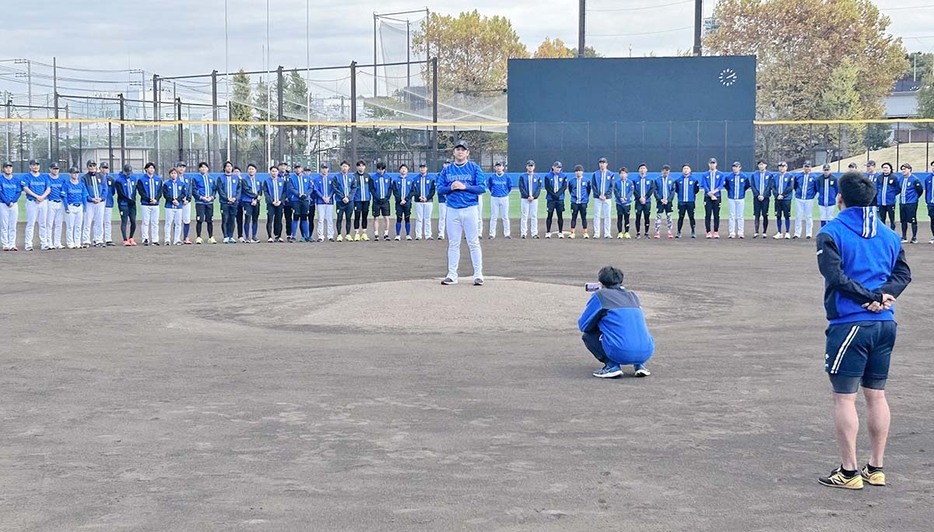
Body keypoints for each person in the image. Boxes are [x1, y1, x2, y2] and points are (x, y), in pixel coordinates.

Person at [815, 171, 911, 490]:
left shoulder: (831, 232)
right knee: (877, 395)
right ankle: (876, 467)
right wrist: (883, 296)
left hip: (849, 324)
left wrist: (869, 297)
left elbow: (836, 277)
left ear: (840, 199)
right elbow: (903, 274)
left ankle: (849, 471)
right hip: (885, 323)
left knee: (844, 399)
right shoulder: (889, 234)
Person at [577, 265, 653, 378]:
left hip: (621, 351)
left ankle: (611, 366)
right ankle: (640, 365)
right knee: (632, 327)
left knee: (589, 335)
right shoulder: (632, 296)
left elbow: (584, 325)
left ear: (601, 281)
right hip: (646, 351)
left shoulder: (601, 295)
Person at [437, 140, 485, 285]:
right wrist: (451, 187)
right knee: (453, 243)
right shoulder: (447, 170)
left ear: (467, 152)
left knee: (473, 242)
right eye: (457, 149)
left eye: (463, 149)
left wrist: (464, 186)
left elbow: (482, 187)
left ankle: (478, 274)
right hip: (452, 209)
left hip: (470, 208)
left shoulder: (474, 168)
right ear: (454, 152)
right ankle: (452, 275)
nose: (460, 152)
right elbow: (439, 189)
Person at [22, 158, 51, 251]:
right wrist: (37, 196)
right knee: (31, 223)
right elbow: (26, 188)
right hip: (32, 202)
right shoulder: (27, 177)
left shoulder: (44, 177)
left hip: (43, 202)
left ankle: (44, 243)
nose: (36, 166)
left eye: (37, 165)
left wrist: (42, 197)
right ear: (30, 166)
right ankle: (28, 244)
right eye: (34, 165)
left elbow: (48, 189)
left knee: (43, 224)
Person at [0, 162, 25, 251]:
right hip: (3, 204)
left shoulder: (16, 180)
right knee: (4, 225)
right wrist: (7, 201)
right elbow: (0, 192)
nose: (8, 169)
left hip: (14, 204)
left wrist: (13, 201)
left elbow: (18, 192)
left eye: (10, 167)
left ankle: (12, 244)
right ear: (3, 169)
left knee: (13, 225)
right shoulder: (0, 179)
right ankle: (5, 244)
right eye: (6, 167)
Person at [136, 162, 163, 246]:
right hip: (145, 204)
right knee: (145, 222)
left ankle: (155, 239)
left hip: (155, 204)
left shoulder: (158, 179)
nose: (151, 170)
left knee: (155, 222)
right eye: (150, 168)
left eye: (152, 168)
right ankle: (145, 239)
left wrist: (156, 199)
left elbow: (160, 191)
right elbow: (141, 192)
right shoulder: (141, 179)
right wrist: (148, 199)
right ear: (146, 169)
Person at [286, 162, 313, 242]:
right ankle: (293, 236)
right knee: (296, 217)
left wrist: (305, 194)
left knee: (304, 217)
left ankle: (306, 236)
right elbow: (291, 188)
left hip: (305, 200)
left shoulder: (307, 178)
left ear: (301, 169)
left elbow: (310, 188)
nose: (298, 169)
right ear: (294, 169)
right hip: (296, 200)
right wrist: (298, 194)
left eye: (299, 167)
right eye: (296, 168)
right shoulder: (291, 178)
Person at [82, 160, 107, 248]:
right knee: (87, 221)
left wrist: (101, 198)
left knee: (99, 221)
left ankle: (98, 239)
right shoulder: (84, 178)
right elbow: (84, 190)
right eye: (90, 166)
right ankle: (86, 240)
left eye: (94, 165)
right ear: (87, 167)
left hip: (100, 202)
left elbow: (105, 189)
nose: (92, 167)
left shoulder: (101, 176)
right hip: (90, 203)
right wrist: (91, 198)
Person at [896, 163, 923, 244]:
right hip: (902, 202)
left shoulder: (914, 179)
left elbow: (920, 190)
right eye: (902, 169)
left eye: (905, 169)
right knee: (903, 220)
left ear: (910, 169)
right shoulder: (900, 179)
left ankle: (914, 237)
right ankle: (904, 236)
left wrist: (914, 198)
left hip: (911, 203)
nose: (903, 171)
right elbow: (899, 189)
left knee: (913, 220)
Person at [62, 167, 88, 249]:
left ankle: (77, 242)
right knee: (70, 226)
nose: (75, 174)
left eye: (77, 173)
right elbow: (64, 196)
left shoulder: (81, 184)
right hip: (70, 206)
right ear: (70, 174)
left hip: (79, 206)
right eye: (74, 173)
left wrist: (85, 207)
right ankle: (70, 242)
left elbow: (84, 196)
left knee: (78, 226)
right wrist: (66, 207)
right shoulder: (66, 184)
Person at [700, 157, 725, 238]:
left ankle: (716, 231)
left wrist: (714, 192)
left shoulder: (720, 174)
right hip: (708, 197)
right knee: (708, 214)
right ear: (708, 164)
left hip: (717, 197)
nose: (712, 165)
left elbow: (721, 185)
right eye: (711, 163)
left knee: (716, 214)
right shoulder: (705, 174)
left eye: (713, 163)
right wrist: (710, 194)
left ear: (716, 164)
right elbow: (704, 185)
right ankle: (708, 231)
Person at [192, 162, 217, 244]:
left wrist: (211, 197)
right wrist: (201, 197)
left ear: (208, 168)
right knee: (200, 219)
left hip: (209, 203)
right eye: (202, 167)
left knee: (210, 220)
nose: (203, 168)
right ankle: (198, 237)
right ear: (199, 169)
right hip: (200, 202)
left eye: (205, 167)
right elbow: (194, 190)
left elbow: (214, 190)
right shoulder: (196, 178)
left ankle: (211, 237)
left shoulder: (211, 178)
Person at [332, 160, 357, 242]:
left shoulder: (352, 177)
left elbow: (354, 188)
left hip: (350, 201)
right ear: (341, 167)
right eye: (343, 166)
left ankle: (348, 234)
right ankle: (339, 234)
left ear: (348, 167)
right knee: (339, 217)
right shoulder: (336, 177)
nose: (344, 168)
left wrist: (348, 197)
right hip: (340, 201)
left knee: (348, 218)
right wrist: (343, 197)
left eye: (346, 166)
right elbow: (335, 188)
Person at [793, 161, 818, 239]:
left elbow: (816, 188)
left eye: (808, 167)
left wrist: (812, 196)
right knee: (798, 216)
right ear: (803, 167)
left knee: (808, 216)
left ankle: (809, 233)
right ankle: (797, 233)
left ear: (810, 167)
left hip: (809, 199)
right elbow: (795, 186)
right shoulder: (798, 176)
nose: (807, 168)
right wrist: (798, 193)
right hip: (799, 198)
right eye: (805, 166)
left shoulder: (814, 177)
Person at [724, 161, 749, 239]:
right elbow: (726, 186)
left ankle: (740, 232)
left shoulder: (744, 177)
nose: (735, 168)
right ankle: (732, 232)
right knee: (732, 216)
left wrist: (742, 193)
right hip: (731, 198)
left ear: (740, 168)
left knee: (740, 216)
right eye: (734, 167)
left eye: (737, 167)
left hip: (741, 198)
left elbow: (747, 186)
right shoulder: (728, 177)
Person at [217, 161, 241, 244]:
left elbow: (239, 189)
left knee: (232, 219)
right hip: (224, 202)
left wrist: (235, 198)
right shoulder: (220, 178)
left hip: (234, 202)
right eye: (227, 166)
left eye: (230, 166)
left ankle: (231, 236)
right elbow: (220, 190)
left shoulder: (236, 178)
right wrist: (227, 199)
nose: (229, 168)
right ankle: (225, 236)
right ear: (224, 168)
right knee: (225, 219)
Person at [114, 164, 138, 246]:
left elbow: (134, 191)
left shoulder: (133, 179)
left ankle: (131, 237)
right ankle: (125, 239)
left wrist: (133, 200)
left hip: (132, 203)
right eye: (127, 172)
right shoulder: (119, 180)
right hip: (123, 203)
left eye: (129, 172)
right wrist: (129, 200)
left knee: (133, 221)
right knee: (124, 221)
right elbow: (120, 193)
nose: (128, 173)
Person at [518, 160, 542, 239]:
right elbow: (521, 187)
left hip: (534, 199)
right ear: (526, 166)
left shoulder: (537, 177)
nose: (530, 167)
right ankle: (523, 233)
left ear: (534, 167)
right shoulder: (522, 176)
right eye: (529, 166)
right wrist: (527, 196)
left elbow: (539, 188)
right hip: (525, 199)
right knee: (524, 215)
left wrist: (534, 196)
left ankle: (534, 233)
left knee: (534, 216)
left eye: (531, 166)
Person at [162, 168, 186, 245]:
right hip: (169, 206)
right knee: (168, 223)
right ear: (170, 174)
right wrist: (172, 200)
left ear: (177, 174)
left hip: (179, 207)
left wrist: (178, 200)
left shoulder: (181, 183)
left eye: (175, 173)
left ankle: (177, 239)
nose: (173, 175)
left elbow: (183, 194)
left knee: (178, 223)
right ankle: (167, 240)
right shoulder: (166, 184)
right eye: (172, 173)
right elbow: (165, 194)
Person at [674, 164, 699, 238]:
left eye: (687, 168)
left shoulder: (694, 180)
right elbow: (677, 190)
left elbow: (696, 190)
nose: (686, 170)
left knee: (691, 217)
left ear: (690, 170)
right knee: (680, 217)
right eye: (684, 168)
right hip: (681, 201)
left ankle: (693, 231)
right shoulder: (678, 180)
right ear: (682, 170)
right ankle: (678, 232)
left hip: (690, 201)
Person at [45, 163, 66, 249]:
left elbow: (63, 192)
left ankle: (57, 242)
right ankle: (49, 242)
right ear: (50, 169)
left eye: (57, 169)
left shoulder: (62, 179)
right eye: (54, 168)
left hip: (59, 202)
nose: (55, 170)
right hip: (50, 202)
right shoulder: (47, 178)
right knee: (49, 223)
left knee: (59, 223)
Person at [487, 161, 511, 239]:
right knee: (494, 216)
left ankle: (507, 233)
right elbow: (490, 186)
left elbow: (509, 187)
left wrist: (505, 192)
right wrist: (494, 192)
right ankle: (492, 234)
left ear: (503, 167)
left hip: (504, 197)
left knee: (505, 216)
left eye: (500, 166)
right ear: (495, 167)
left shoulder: (507, 177)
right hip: (494, 198)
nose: (498, 167)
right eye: (497, 166)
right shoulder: (492, 177)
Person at [369, 162, 393, 241]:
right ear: (377, 169)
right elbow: (372, 189)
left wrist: (386, 198)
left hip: (385, 201)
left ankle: (386, 234)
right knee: (376, 217)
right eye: (379, 169)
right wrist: (377, 198)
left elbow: (390, 189)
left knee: (386, 217)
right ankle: (376, 234)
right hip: (376, 201)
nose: (381, 171)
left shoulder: (388, 178)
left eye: (382, 169)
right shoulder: (373, 178)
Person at [544, 161, 567, 238]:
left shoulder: (563, 176)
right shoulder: (548, 176)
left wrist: (558, 194)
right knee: (549, 215)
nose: (558, 169)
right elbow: (547, 187)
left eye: (559, 167)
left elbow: (564, 187)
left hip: (560, 199)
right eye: (557, 167)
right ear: (553, 167)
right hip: (551, 199)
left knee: (560, 215)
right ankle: (548, 232)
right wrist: (554, 195)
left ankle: (560, 232)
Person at [391, 163, 415, 240]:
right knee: (399, 218)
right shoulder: (396, 181)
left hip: (407, 203)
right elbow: (395, 191)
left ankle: (408, 234)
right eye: (402, 168)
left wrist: (406, 199)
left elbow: (412, 191)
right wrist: (400, 200)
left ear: (407, 170)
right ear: (399, 170)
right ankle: (398, 235)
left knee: (407, 218)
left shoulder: (411, 181)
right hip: (399, 203)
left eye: (405, 168)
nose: (403, 170)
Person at [240, 163, 262, 243]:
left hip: (256, 203)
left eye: (252, 169)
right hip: (247, 202)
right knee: (247, 219)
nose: (251, 170)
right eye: (249, 169)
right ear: (247, 171)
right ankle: (247, 237)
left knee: (255, 219)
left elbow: (260, 191)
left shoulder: (258, 181)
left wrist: (256, 199)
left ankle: (254, 236)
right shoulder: (244, 180)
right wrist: (255, 197)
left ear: (255, 171)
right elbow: (246, 190)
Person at [750, 160, 773, 238]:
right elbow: (752, 186)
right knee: (757, 214)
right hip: (757, 198)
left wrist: (764, 195)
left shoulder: (769, 175)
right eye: (760, 165)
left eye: (762, 164)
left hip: (765, 198)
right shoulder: (754, 175)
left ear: (766, 165)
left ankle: (764, 232)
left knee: (765, 214)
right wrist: (757, 195)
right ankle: (756, 231)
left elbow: (769, 186)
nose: (761, 166)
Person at [414, 162, 436, 240]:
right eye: (421, 167)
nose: (422, 169)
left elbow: (432, 191)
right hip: (418, 201)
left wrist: (427, 198)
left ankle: (428, 235)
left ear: (426, 168)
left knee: (427, 218)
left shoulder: (431, 179)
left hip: (428, 201)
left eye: (424, 167)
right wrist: (419, 197)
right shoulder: (415, 179)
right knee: (419, 218)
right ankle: (418, 235)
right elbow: (414, 190)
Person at [874, 162, 900, 231]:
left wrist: (892, 195)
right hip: (881, 202)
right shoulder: (879, 177)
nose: (885, 169)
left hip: (890, 202)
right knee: (882, 219)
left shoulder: (894, 178)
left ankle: (892, 232)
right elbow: (876, 188)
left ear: (890, 169)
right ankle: (883, 233)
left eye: (886, 168)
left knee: (892, 218)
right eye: (884, 168)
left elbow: (898, 189)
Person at [264, 165, 286, 242]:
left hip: (279, 204)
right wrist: (271, 201)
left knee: (279, 220)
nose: (274, 173)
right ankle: (270, 236)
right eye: (272, 171)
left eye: (275, 171)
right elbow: (266, 192)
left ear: (278, 172)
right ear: (270, 172)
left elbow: (284, 192)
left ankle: (278, 235)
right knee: (270, 219)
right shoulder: (267, 181)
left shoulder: (282, 181)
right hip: (271, 204)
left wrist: (280, 201)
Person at [568, 164, 590, 239]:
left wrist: (585, 199)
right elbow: (570, 190)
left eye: (579, 171)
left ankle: (585, 232)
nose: (578, 172)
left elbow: (588, 190)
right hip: (574, 202)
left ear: (582, 172)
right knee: (573, 217)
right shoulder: (572, 181)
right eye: (576, 171)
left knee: (584, 217)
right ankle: (572, 233)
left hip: (583, 202)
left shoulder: (586, 181)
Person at [315, 163, 335, 242]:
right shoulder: (317, 179)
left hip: (329, 202)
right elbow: (316, 190)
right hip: (320, 202)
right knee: (321, 219)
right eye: (323, 168)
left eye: (326, 168)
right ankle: (320, 236)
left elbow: (333, 189)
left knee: (329, 219)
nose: (324, 170)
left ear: (328, 169)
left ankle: (330, 235)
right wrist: (323, 197)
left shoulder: (332, 178)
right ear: (321, 169)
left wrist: (329, 197)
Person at [772, 162, 793, 239]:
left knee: (787, 215)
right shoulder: (775, 176)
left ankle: (787, 232)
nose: (781, 168)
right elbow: (773, 187)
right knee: (778, 215)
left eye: (783, 166)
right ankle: (779, 232)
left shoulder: (790, 176)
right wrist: (777, 195)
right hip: (777, 199)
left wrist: (783, 195)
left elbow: (790, 187)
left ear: (786, 167)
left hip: (786, 199)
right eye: (780, 166)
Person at [654, 164, 675, 239]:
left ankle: (669, 231)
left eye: (667, 170)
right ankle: (657, 232)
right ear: (662, 171)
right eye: (664, 170)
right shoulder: (657, 180)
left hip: (668, 202)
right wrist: (660, 199)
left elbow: (673, 191)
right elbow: (655, 191)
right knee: (658, 216)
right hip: (660, 202)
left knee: (669, 216)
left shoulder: (671, 180)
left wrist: (668, 200)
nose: (666, 172)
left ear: (669, 171)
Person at [633, 164, 654, 239]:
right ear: (639, 170)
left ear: (646, 170)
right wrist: (639, 198)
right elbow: (634, 190)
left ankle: (646, 232)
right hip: (638, 202)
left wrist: (645, 197)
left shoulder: (650, 180)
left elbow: (651, 190)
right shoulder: (635, 180)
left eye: (644, 168)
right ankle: (638, 233)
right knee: (638, 216)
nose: (642, 169)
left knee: (647, 216)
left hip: (647, 202)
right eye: (641, 168)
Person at [352, 160, 372, 241]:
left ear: (365, 167)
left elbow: (370, 187)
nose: (361, 167)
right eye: (359, 166)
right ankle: (356, 233)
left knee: (365, 216)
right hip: (357, 200)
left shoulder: (368, 176)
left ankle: (364, 233)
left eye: (362, 166)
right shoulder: (354, 176)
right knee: (357, 216)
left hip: (366, 199)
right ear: (357, 167)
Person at [817, 164, 839, 229]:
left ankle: (830, 231)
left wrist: (832, 197)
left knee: (830, 217)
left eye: (827, 170)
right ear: (823, 170)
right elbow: (817, 188)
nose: (826, 171)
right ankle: (823, 230)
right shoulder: (819, 179)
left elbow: (837, 189)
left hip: (831, 202)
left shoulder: (834, 179)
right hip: (821, 202)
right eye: (825, 170)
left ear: (830, 170)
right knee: (823, 217)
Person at [175, 161, 193, 245]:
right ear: (177, 168)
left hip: (186, 202)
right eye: (180, 166)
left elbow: (190, 189)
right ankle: (176, 238)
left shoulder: (188, 178)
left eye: (183, 167)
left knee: (186, 220)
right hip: (178, 202)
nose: (181, 168)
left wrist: (188, 199)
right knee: (177, 220)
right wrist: (179, 200)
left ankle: (186, 237)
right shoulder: (175, 177)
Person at [99, 162, 116, 246]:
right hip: (99, 202)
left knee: (107, 221)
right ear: (100, 168)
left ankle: (108, 239)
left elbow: (113, 191)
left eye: (106, 167)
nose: (104, 169)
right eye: (103, 167)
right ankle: (99, 239)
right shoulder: (97, 177)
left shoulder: (111, 179)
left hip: (108, 202)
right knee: (99, 221)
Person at [614, 167, 633, 239]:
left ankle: (627, 232)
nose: (623, 175)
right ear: (619, 175)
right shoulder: (617, 183)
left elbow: (631, 191)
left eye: (624, 173)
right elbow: (616, 192)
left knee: (627, 218)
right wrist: (620, 198)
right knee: (619, 217)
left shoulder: (630, 182)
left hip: (627, 203)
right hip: (619, 203)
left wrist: (626, 198)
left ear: (627, 174)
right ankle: (620, 232)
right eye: (621, 173)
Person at [437, 160, 451, 240]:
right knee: (442, 217)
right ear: (443, 164)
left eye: (448, 164)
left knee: (451, 218)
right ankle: (441, 233)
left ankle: (450, 233)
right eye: (446, 163)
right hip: (442, 199)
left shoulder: (453, 174)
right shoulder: (439, 175)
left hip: (451, 199)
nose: (447, 165)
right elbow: (439, 188)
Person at [282, 162, 296, 240]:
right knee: (278, 218)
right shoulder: (277, 176)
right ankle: (278, 235)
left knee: (289, 218)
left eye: (284, 166)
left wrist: (289, 197)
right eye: (281, 166)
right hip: (280, 200)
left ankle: (289, 234)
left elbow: (291, 188)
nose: (283, 167)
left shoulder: (290, 176)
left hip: (290, 201)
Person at [925, 161, 934, 244]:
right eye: (933, 166)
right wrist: (927, 201)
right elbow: (926, 190)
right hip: (931, 203)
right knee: (932, 220)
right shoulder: (928, 178)